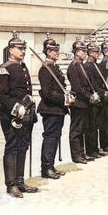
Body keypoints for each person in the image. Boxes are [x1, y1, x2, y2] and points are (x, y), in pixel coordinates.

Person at [0, 32, 38, 198]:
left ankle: (20, 180)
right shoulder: (3, 68)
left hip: (25, 115)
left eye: (24, 48)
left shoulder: (23, 67)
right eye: (20, 48)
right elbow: (1, 96)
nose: (23, 51)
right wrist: (16, 106)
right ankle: (11, 184)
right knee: (12, 148)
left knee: (23, 147)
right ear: (11, 49)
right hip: (10, 116)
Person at [37, 36, 70, 180]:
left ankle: (51, 165)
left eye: (57, 49)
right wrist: (64, 99)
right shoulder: (45, 69)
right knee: (50, 138)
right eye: (53, 50)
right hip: (50, 109)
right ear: (47, 51)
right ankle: (46, 168)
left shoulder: (54, 67)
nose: (56, 52)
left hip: (58, 109)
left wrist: (68, 95)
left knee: (55, 137)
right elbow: (47, 93)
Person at [84, 43, 108, 157]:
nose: (97, 54)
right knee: (92, 127)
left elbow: (102, 81)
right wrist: (102, 93)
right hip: (94, 99)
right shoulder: (87, 66)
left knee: (101, 124)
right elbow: (92, 84)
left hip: (101, 98)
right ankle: (92, 149)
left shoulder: (96, 65)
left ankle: (99, 146)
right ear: (90, 53)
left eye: (97, 52)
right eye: (95, 52)